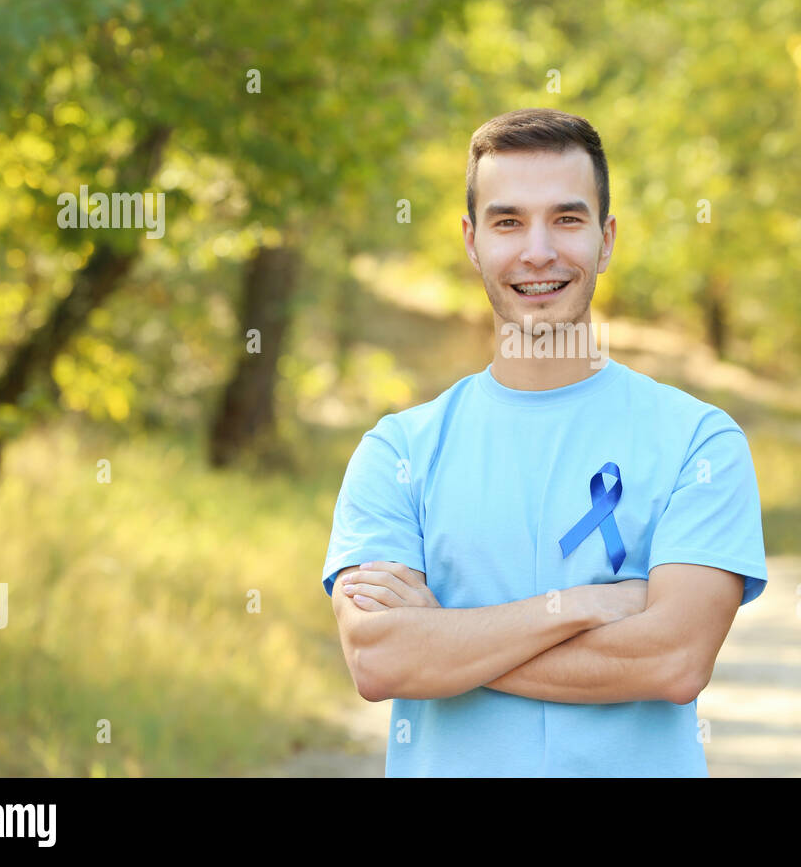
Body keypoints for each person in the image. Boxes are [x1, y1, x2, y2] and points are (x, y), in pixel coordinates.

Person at [322, 107, 768, 776]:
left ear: (606, 239)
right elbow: (381, 659)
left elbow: (674, 662)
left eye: (566, 219)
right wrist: (587, 605)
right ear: (471, 242)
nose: (538, 251)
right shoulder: (398, 453)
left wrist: (445, 643)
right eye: (508, 222)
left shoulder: (699, 444)